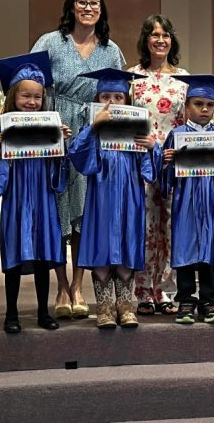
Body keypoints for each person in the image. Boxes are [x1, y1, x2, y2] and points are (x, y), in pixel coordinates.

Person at [0, 0, 126, 320]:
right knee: (56, 210)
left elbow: (121, 97)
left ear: (101, 9)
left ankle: (78, 286)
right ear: (71, 6)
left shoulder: (112, 50)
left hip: (93, 134)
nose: (88, 8)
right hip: (51, 133)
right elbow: (25, 88)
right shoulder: (50, 42)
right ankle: (61, 286)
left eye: (95, 2)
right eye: (82, 2)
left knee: (83, 211)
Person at [0, 52, 72, 333]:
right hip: (16, 199)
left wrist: (61, 145)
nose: (32, 103)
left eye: (37, 97)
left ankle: (43, 312)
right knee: (14, 254)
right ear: (14, 97)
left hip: (43, 200)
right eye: (26, 97)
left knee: (44, 254)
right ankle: (11, 313)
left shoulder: (49, 128)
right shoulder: (1, 130)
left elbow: (57, 171)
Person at [68, 68, 160, 328]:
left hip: (130, 195)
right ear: (98, 100)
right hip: (101, 196)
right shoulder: (93, 128)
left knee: (127, 242)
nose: (112, 102)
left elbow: (149, 170)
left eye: (118, 97)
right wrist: (94, 128)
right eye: (105, 96)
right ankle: (105, 307)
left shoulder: (137, 128)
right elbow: (79, 157)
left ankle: (125, 304)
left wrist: (153, 148)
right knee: (102, 245)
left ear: (127, 101)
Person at [161, 75, 214, 324]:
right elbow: (166, 178)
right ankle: (185, 300)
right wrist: (167, 162)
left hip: (213, 201)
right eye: (198, 104)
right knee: (185, 248)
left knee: (210, 251)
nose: (204, 109)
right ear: (187, 106)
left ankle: (208, 302)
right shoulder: (177, 134)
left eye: (209, 105)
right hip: (185, 201)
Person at [128, 14, 189, 316]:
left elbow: (191, 123)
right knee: (146, 226)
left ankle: (165, 291)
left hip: (172, 160)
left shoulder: (184, 79)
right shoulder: (133, 78)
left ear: (171, 40)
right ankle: (141, 291)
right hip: (141, 162)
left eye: (165, 35)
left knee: (170, 226)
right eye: (154, 35)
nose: (160, 40)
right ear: (146, 40)